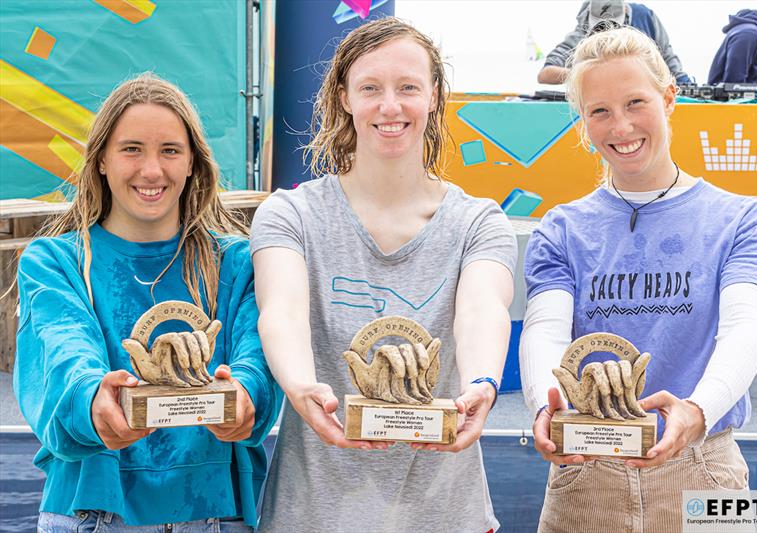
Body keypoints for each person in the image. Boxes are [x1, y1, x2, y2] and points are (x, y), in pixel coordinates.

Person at [520, 27, 757, 532]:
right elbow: (545, 330)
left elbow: (743, 332)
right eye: (599, 111)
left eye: (635, 102)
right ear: (582, 122)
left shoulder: (742, 221)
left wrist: (695, 412)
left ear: (669, 99)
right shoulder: (561, 228)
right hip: (583, 472)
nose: (620, 126)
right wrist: (546, 403)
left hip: (707, 469)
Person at [251, 17, 517, 533]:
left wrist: (482, 381)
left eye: (408, 88)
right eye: (370, 88)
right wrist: (303, 388)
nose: (390, 107)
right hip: (313, 514)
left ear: (435, 96)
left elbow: (483, 308)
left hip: (447, 514)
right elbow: (280, 311)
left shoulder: (479, 222)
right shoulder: (290, 215)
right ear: (345, 97)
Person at [14, 73, 283, 531]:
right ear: (100, 160)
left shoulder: (239, 264)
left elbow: (258, 359)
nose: (152, 170)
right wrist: (92, 399)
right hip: (90, 511)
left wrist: (245, 398)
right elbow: (63, 352)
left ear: (194, 163)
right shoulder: (53, 262)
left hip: (217, 511)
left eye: (170, 151)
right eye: (131, 148)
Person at [538, 0, 691, 85]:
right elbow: (545, 74)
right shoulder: (583, 32)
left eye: (614, 25)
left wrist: (687, 86)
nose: (609, 31)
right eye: (601, 27)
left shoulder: (646, 18)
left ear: (625, 11)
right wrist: (591, 74)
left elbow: (670, 63)